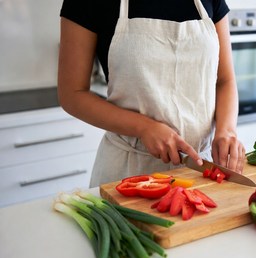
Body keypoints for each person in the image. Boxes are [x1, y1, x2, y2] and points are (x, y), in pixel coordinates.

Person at [57, 0, 246, 187]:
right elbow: (72, 94)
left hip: (201, 168)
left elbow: (224, 80)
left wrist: (226, 130)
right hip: (130, 173)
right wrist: (143, 127)